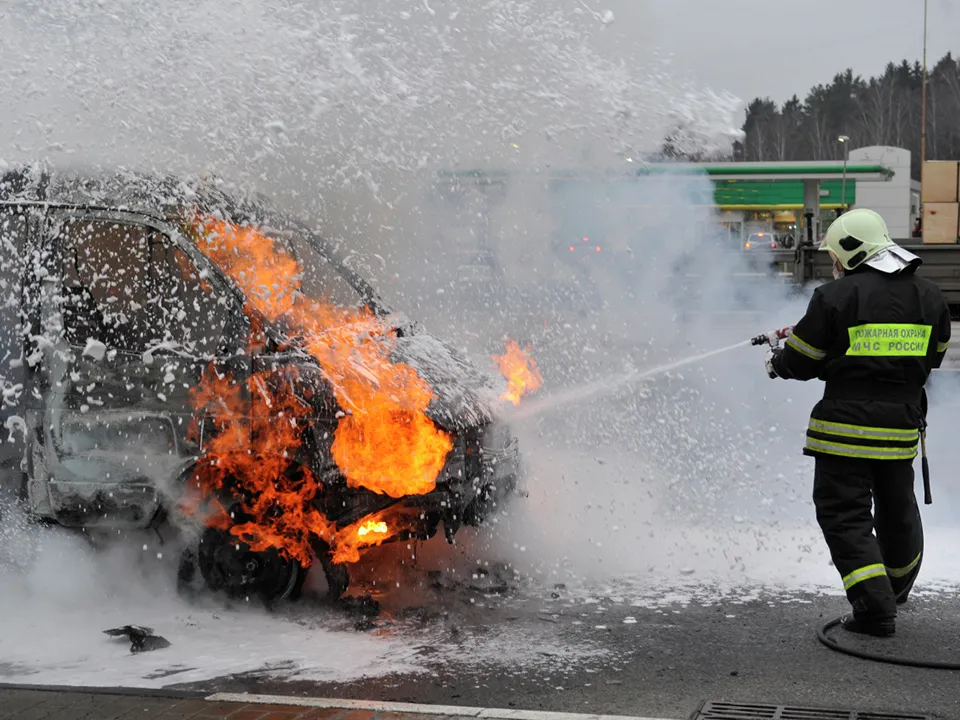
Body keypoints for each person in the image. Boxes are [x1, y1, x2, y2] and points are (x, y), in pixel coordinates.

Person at [765, 208, 951, 637]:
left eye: (834, 254)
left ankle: (874, 607)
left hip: (844, 430)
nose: (833, 263)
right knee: (896, 509)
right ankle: (896, 586)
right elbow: (935, 353)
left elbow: (803, 360)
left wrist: (779, 361)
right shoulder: (929, 295)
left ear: (850, 251)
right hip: (901, 427)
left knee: (844, 514)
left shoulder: (836, 296)